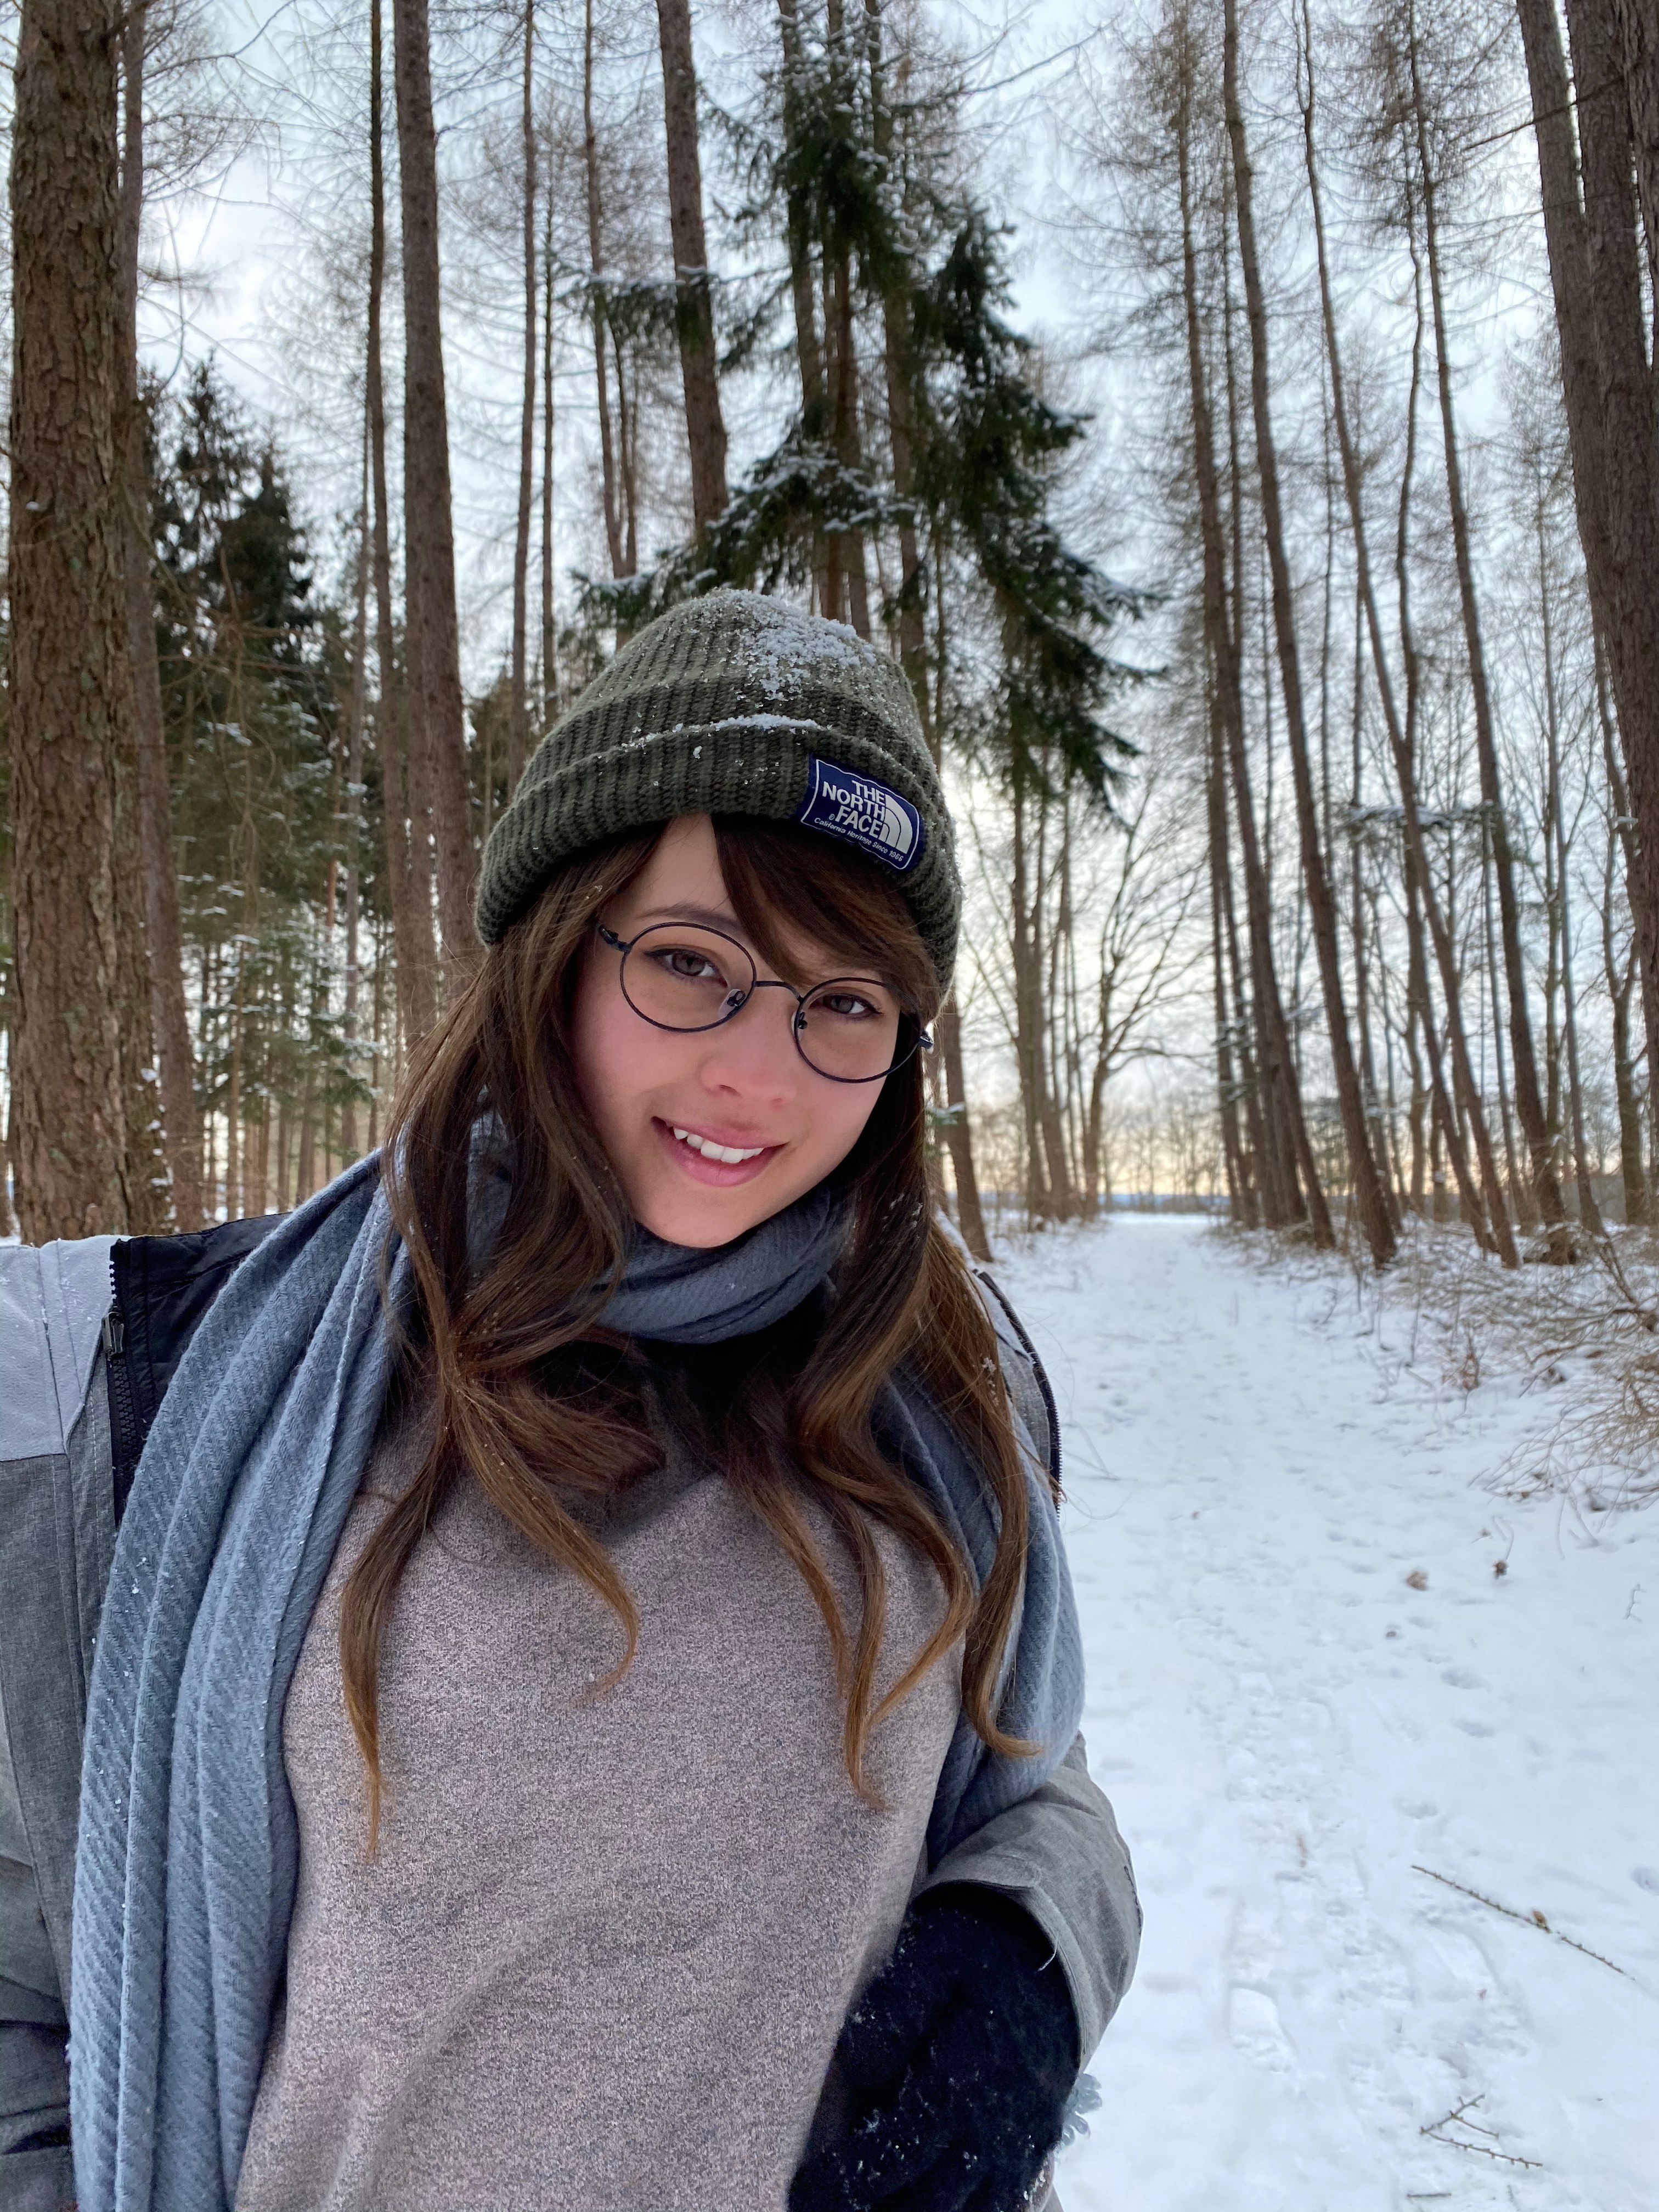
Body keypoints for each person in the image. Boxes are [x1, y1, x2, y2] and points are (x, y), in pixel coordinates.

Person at [0, 590, 1138, 2212]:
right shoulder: (175, 1389)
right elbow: (19, 1973)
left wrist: (1035, 1946)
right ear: (552, 950)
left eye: (844, 1002)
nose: (760, 1074)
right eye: (691, 964)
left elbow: (1040, 1784)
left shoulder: (944, 1384)